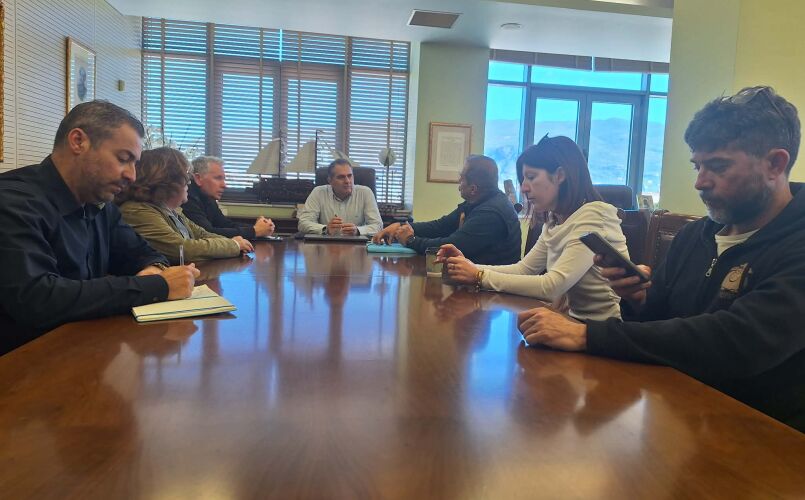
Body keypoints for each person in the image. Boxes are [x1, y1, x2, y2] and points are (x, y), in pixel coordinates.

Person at [517, 86, 805, 432]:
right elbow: (663, 319)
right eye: (697, 166)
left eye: (717, 167)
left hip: (762, 436)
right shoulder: (694, 237)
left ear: (775, 164)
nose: (700, 182)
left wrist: (588, 336)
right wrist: (639, 298)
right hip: (679, 416)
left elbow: (740, 341)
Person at [0, 100, 198, 354]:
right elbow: (38, 299)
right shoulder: (13, 201)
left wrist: (153, 269)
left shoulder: (100, 204)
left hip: (79, 350)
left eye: (135, 164)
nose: (132, 176)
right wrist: (158, 285)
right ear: (78, 141)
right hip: (20, 363)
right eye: (124, 159)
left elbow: (142, 253)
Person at [439, 136, 627, 321]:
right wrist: (467, 266)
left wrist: (479, 277)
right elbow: (524, 269)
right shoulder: (554, 221)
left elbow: (552, 286)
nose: (524, 188)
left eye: (531, 177)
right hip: (569, 322)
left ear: (560, 175)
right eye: (523, 179)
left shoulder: (594, 216)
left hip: (601, 330)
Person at [373, 155, 521, 265]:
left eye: (462, 177)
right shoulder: (478, 202)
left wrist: (411, 240)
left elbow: (451, 245)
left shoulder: (490, 214)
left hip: (492, 291)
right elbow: (440, 226)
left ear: (473, 189)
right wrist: (402, 226)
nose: (458, 181)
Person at [118, 147, 254, 264]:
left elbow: (202, 233)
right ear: (167, 181)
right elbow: (182, 249)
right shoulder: (137, 211)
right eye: (185, 176)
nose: (189, 182)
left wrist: (234, 243)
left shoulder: (171, 210)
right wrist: (234, 245)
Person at [182, 156, 276, 238]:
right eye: (218, 178)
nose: (224, 185)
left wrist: (259, 227)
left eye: (224, 179)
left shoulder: (208, 197)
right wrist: (254, 231)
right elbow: (208, 233)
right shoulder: (186, 198)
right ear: (198, 178)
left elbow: (225, 224)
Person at [297, 159, 383, 236]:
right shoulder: (318, 192)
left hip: (356, 245)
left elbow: (378, 225)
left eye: (350, 176)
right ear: (330, 181)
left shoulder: (365, 193)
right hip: (326, 244)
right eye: (341, 177)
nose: (347, 181)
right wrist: (326, 229)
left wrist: (358, 230)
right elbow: (303, 223)